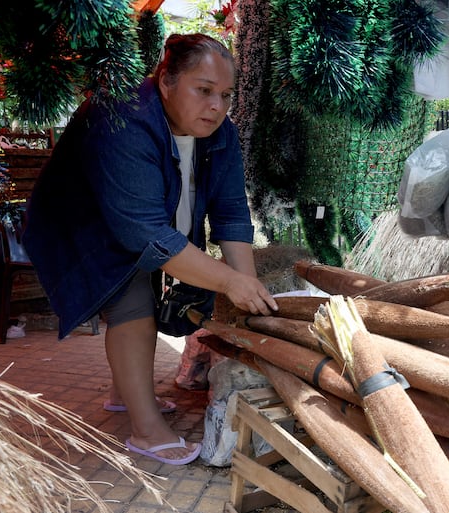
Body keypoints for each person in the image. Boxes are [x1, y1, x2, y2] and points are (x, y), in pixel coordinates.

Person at [23, 33, 278, 465]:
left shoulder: (222, 134)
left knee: (147, 284)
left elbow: (232, 213)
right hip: (82, 222)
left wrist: (246, 287)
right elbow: (142, 233)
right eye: (203, 90)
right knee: (133, 300)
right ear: (165, 81)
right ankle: (145, 431)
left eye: (226, 95)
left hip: (145, 224)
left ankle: (128, 394)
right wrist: (228, 281)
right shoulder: (121, 117)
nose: (217, 106)